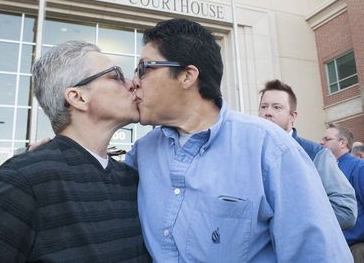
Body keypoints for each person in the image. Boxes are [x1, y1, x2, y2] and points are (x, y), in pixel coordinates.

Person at [125, 18, 352, 262]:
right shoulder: (142, 153)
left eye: (144, 68)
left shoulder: (270, 148)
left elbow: (318, 254)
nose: (134, 81)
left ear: (186, 76)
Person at [0, 41, 150, 263]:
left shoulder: (131, 177)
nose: (132, 84)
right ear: (78, 97)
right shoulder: (27, 178)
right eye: (115, 76)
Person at [258, 79, 357, 229]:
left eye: (277, 107)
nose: (268, 113)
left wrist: (284, 216)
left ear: (292, 116)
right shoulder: (249, 154)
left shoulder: (316, 155)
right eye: (263, 107)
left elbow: (345, 212)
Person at [320, 124, 364, 261]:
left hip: (356, 247)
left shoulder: (358, 167)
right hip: (335, 247)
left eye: (327, 139)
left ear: (343, 143)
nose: (321, 142)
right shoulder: (328, 168)